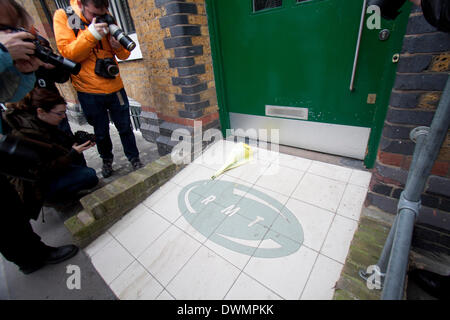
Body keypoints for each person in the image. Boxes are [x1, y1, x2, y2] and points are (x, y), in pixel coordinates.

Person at [0, 0, 81, 274]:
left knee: (9, 216)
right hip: (32, 184)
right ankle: (28, 259)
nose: (14, 36)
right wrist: (71, 154)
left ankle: (32, 251)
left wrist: (25, 69)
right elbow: (39, 169)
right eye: (4, 28)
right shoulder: (25, 131)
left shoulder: (42, 122)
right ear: (40, 112)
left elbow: (8, 92)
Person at [53, 0, 143, 178]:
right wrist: (92, 34)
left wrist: (119, 48)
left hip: (115, 86)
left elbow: (125, 54)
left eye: (103, 12)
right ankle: (107, 160)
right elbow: (68, 54)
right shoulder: (65, 16)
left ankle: (134, 158)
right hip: (89, 91)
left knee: (125, 127)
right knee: (101, 132)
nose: (99, 17)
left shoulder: (106, 17)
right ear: (81, 4)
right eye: (95, 14)